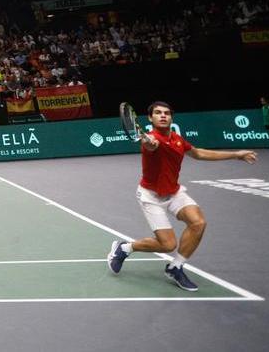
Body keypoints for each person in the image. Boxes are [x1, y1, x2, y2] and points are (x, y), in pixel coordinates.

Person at [108, 101, 258, 291]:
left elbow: (199, 153)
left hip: (174, 192)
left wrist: (236, 154)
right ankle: (124, 248)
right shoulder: (150, 140)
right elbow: (151, 146)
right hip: (151, 196)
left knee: (198, 223)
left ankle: (175, 267)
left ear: (171, 118)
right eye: (158, 113)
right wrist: (150, 143)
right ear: (150, 118)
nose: (163, 115)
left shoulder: (178, 140)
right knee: (168, 244)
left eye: (167, 113)